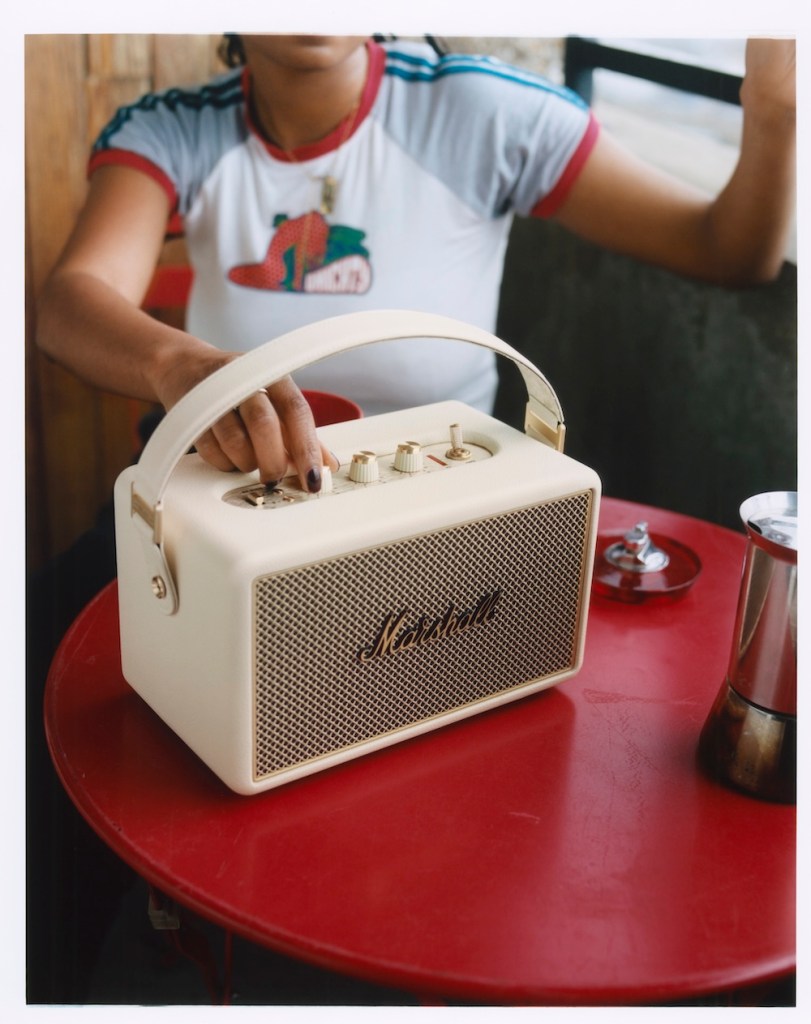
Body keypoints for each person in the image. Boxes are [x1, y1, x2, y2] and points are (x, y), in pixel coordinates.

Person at [36, 32, 795, 495]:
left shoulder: (481, 112)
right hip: (231, 506)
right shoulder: (173, 128)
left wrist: (774, 110)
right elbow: (72, 299)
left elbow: (729, 251)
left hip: (432, 508)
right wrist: (179, 365)